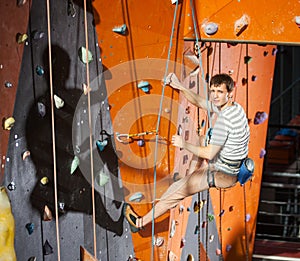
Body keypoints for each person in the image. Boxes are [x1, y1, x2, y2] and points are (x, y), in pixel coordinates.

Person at [123, 73, 250, 232]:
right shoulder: (235, 107)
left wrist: (184, 144)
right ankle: (189, 178)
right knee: (204, 138)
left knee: (175, 191)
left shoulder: (225, 122)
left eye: (220, 92)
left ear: (229, 94)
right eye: (213, 91)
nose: (215, 96)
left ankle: (139, 223)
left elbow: (209, 154)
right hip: (229, 166)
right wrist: (179, 86)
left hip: (222, 173)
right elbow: (201, 102)